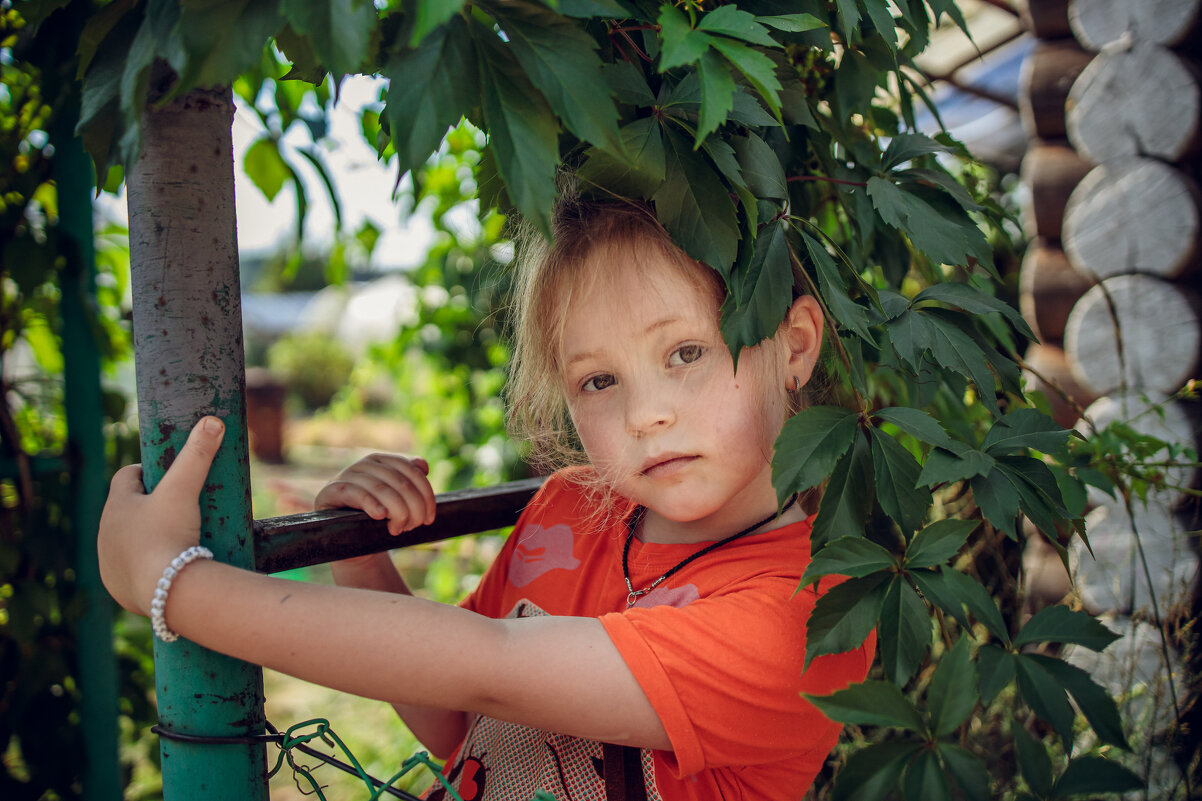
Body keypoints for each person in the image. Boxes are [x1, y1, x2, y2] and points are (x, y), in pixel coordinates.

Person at [98, 199, 874, 801]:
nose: (646, 415)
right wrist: (363, 557)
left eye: (687, 352)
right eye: (599, 380)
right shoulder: (572, 507)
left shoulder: (808, 618)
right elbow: (460, 717)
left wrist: (170, 584)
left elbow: (490, 666)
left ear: (796, 346)